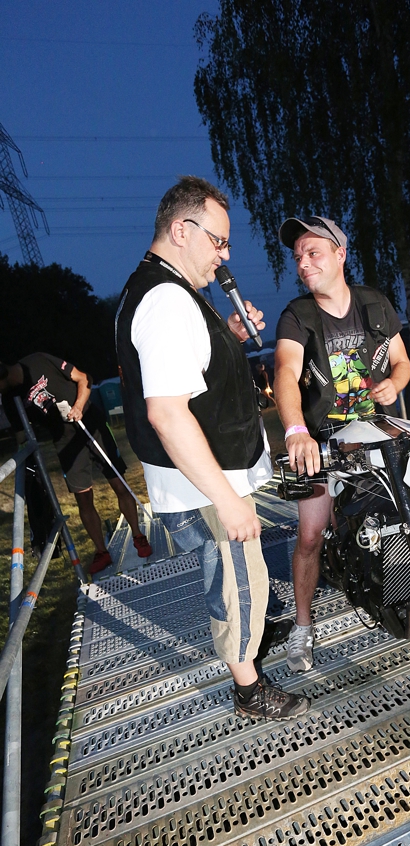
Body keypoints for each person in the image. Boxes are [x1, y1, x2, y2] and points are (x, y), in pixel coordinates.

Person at [115, 176, 310, 720]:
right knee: (238, 580)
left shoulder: (160, 289)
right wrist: (226, 500)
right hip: (206, 483)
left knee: (231, 574)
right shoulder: (166, 301)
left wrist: (227, 334)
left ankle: (250, 638)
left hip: (202, 474)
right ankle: (249, 688)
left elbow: (185, 371)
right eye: (218, 241)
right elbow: (167, 413)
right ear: (181, 230)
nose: (225, 255)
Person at [273, 215, 410, 672]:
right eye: (298, 257)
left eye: (313, 253)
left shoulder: (375, 303)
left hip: (376, 432)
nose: (303, 263)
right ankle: (303, 625)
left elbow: (402, 362)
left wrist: (394, 383)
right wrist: (296, 431)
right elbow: (286, 372)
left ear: (340, 254)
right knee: (310, 535)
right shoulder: (297, 315)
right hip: (323, 442)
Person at [0, 354, 152, 574]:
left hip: (90, 424)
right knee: (83, 497)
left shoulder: (39, 361)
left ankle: (138, 536)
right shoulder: (10, 399)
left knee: (119, 483)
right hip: (64, 440)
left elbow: (84, 378)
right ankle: (102, 552)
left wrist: (78, 406)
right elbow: (21, 435)